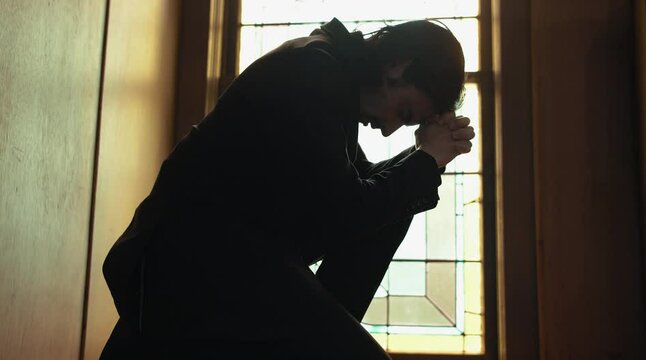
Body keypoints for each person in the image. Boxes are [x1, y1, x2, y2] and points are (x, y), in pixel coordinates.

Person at [100, 17, 474, 359]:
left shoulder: (328, 73)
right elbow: (347, 212)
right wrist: (425, 161)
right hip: (190, 270)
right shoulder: (315, 71)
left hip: (226, 266)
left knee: (397, 204)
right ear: (399, 66)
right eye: (405, 113)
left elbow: (364, 198)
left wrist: (425, 157)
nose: (390, 129)